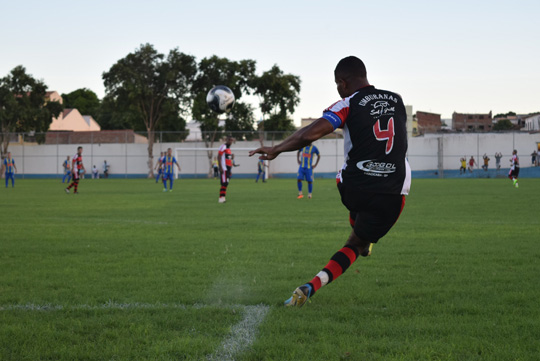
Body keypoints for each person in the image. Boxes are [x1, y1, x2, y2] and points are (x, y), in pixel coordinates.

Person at [249, 56, 410, 307]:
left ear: (342, 83)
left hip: (356, 188)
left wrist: (278, 149)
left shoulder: (348, 102)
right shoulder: (397, 100)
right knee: (355, 246)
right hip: (394, 192)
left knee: (345, 176)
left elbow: (310, 133)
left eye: (337, 84)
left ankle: (357, 235)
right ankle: (313, 284)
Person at [218, 136, 234, 203]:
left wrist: (232, 157)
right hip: (224, 169)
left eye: (231, 140)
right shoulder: (223, 146)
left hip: (228, 169)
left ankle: (223, 197)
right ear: (226, 140)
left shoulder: (229, 149)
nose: (230, 142)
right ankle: (221, 198)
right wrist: (220, 167)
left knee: (226, 183)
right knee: (224, 183)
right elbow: (219, 156)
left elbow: (228, 160)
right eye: (229, 140)